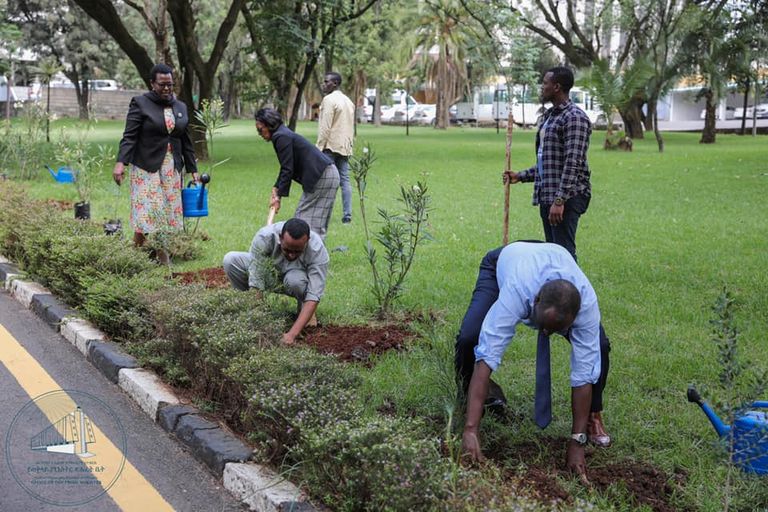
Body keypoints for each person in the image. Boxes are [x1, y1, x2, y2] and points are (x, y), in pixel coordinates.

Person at [457, 242, 611, 482]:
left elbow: (583, 373)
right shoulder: (518, 289)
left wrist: (577, 442)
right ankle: (470, 402)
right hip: (503, 263)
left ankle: (592, 416)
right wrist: (470, 430)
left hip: (552, 258)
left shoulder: (586, 304)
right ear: (536, 300)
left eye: (556, 329)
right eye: (544, 326)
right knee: (470, 337)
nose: (547, 334)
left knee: (599, 348)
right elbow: (487, 355)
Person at [504, 67, 592, 262]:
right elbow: (549, 164)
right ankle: (556, 292)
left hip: (567, 197)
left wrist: (560, 200)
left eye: (545, 83)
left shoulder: (574, 118)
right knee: (553, 252)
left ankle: (572, 291)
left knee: (563, 254)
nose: (542, 87)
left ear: (557, 87)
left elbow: (572, 163)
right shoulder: (550, 116)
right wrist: (521, 175)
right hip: (548, 195)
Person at [113, 63, 198, 262]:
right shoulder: (140, 103)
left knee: (167, 209)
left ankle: (133, 252)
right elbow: (130, 136)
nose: (167, 88)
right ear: (152, 83)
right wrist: (121, 163)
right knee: (151, 209)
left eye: (170, 84)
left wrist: (193, 168)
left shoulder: (180, 106)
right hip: (146, 165)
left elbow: (186, 140)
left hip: (171, 167)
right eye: (162, 85)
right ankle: (163, 256)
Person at [223, 218, 329, 345]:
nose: (291, 255)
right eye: (287, 250)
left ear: (307, 242)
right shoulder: (264, 237)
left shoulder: (317, 249)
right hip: (270, 274)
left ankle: (304, 312)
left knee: (295, 281)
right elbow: (256, 281)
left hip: (296, 279)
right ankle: (245, 308)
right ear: (280, 238)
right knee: (231, 260)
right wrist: (258, 323)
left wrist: (291, 335)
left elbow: (314, 295)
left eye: (297, 251)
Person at [255, 108, 340, 240]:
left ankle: (311, 257)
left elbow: (287, 169)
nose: (259, 133)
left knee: (303, 222)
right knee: (314, 223)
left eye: (260, 129)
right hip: (327, 174)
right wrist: (276, 188)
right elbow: (287, 166)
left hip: (323, 176)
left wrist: (278, 197)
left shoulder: (280, 136)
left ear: (269, 125)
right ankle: (311, 256)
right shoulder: (282, 134)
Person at [316, 71, 355, 224]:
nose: (324, 84)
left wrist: (319, 147)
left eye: (327, 82)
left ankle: (323, 213)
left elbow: (325, 127)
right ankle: (347, 215)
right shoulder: (348, 101)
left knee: (326, 181)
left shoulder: (329, 100)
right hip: (345, 146)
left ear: (335, 83)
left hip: (330, 146)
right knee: (344, 180)